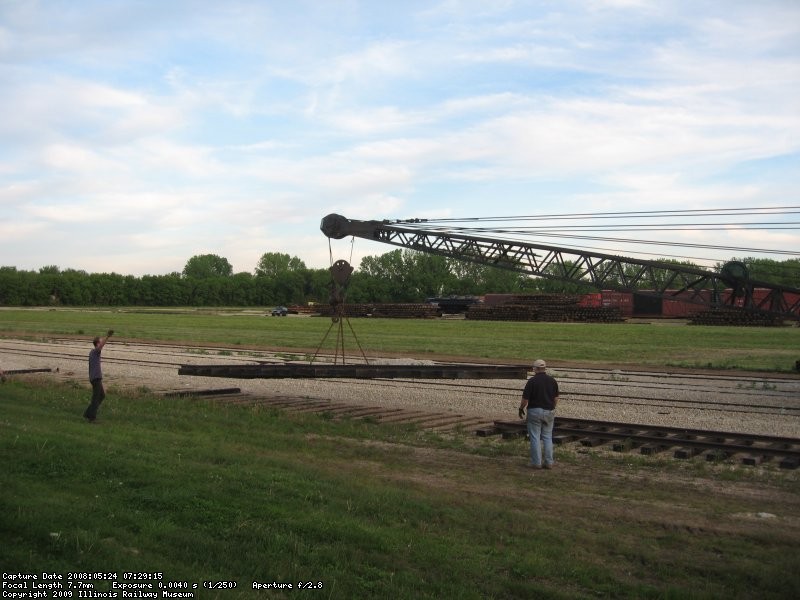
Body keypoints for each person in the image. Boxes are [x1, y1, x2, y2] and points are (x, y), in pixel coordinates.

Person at [518, 359, 559, 469]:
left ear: (535, 369)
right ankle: (549, 462)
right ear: (545, 368)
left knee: (535, 437)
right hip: (549, 411)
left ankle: (536, 462)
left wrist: (521, 409)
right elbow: (556, 399)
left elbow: (525, 400)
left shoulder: (532, 381)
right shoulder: (552, 381)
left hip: (534, 411)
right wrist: (552, 408)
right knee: (547, 437)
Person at [83, 329, 113, 422]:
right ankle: (92, 418)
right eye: (100, 341)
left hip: (94, 378)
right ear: (97, 343)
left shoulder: (92, 352)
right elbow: (101, 346)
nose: (101, 343)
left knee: (102, 395)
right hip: (96, 378)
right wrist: (107, 336)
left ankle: (88, 413)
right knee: (96, 398)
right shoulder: (96, 351)